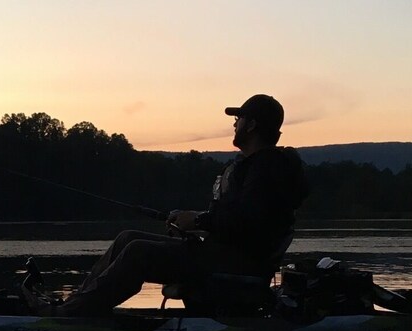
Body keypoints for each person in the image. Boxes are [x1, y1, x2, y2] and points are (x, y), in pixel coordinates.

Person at [24, 94, 309, 316]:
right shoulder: (256, 167)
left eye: (239, 118)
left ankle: (70, 316)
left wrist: (198, 222)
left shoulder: (266, 169)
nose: (234, 123)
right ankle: (77, 304)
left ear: (252, 125)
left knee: (138, 252)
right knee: (128, 237)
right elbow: (237, 220)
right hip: (223, 253)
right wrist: (193, 222)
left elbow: (248, 222)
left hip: (236, 264)